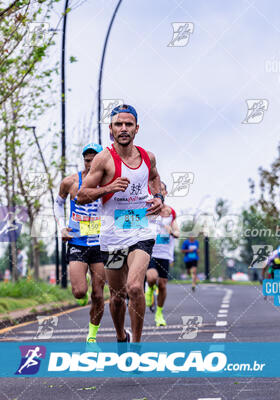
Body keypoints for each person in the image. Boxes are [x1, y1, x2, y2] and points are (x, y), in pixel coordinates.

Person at [77, 104, 163, 343]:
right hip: (113, 236)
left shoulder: (148, 157)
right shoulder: (104, 159)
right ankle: (120, 335)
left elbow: (155, 178)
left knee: (135, 287)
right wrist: (108, 188)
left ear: (137, 128)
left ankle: (136, 345)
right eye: (118, 124)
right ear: (111, 129)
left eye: (128, 124)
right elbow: (82, 195)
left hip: (141, 231)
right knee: (117, 295)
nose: (123, 129)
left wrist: (158, 198)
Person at [54, 143, 106, 344]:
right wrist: (61, 227)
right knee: (79, 292)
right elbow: (58, 204)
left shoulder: (108, 182)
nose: (90, 163)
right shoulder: (71, 182)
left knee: (98, 294)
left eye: (95, 159)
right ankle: (82, 295)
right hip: (77, 240)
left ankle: (91, 337)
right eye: (87, 159)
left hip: (100, 243)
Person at [145, 181, 179, 326]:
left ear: (165, 193)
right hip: (150, 251)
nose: (159, 192)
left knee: (163, 285)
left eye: (162, 190)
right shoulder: (147, 210)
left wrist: (172, 231)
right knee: (152, 277)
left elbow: (177, 232)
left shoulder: (171, 213)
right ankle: (150, 288)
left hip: (165, 254)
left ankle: (159, 314)